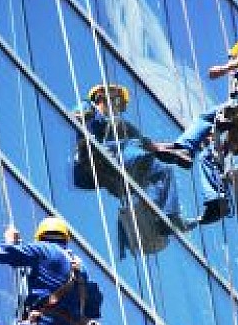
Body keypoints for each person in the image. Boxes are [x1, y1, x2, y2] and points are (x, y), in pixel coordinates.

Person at [151, 33, 238, 224]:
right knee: (207, 156)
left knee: (205, 117)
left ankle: (184, 148)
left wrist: (224, 69)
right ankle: (216, 202)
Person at [73, 83, 195, 236]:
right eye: (117, 101)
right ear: (101, 96)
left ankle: (169, 217)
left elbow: (150, 144)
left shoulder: (119, 126)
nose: (118, 108)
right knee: (135, 145)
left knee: (163, 170)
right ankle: (154, 209)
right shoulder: (88, 107)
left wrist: (177, 147)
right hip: (91, 159)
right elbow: (76, 116)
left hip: (109, 167)